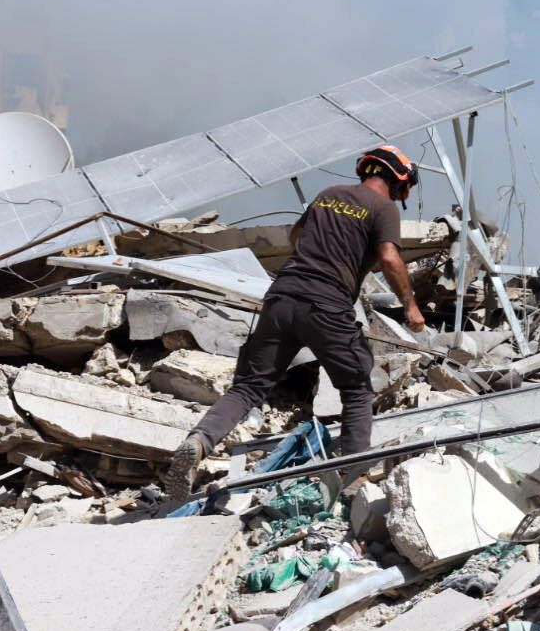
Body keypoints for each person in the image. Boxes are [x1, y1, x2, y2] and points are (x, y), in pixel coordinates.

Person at [162, 145, 428, 498]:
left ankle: (199, 441)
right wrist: (410, 306)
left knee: (248, 387)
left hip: (281, 298)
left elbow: (296, 236)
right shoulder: (383, 209)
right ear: (399, 182)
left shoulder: (329, 194)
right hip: (327, 305)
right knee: (356, 388)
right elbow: (390, 257)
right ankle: (351, 478)